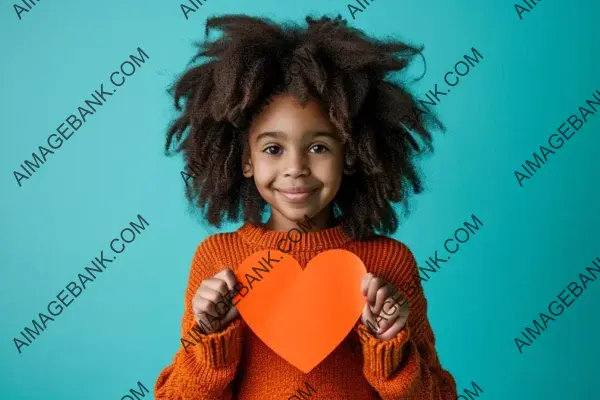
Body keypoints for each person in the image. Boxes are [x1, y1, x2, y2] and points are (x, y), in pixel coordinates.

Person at [155, 14, 457, 399]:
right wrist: (211, 338)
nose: (295, 168)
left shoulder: (389, 263)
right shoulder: (217, 260)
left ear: (350, 155)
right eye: (273, 149)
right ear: (246, 160)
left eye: (318, 147)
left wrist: (390, 345)